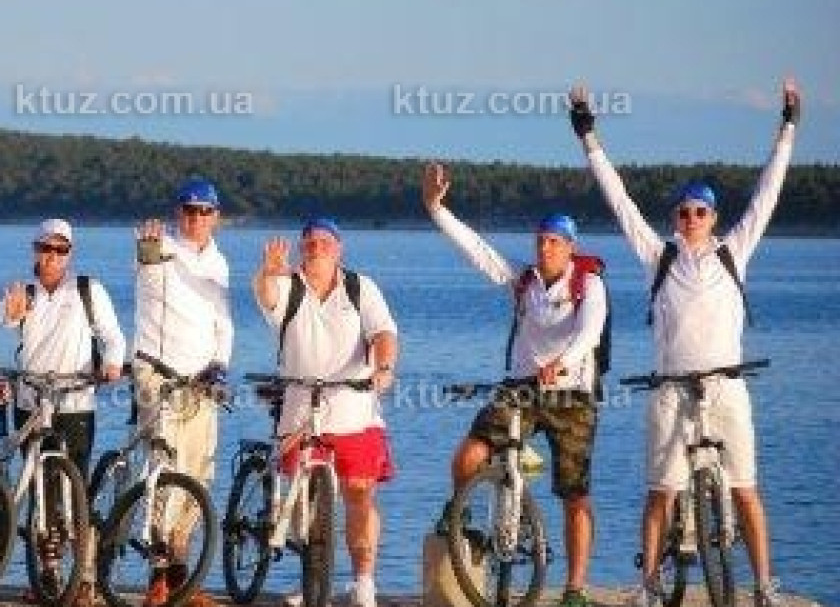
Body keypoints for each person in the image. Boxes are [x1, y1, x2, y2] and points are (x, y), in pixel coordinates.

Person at [569, 79, 799, 607]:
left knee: (745, 490)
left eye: (700, 211)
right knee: (661, 494)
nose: (691, 219)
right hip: (670, 390)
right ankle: (649, 586)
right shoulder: (660, 257)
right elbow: (620, 201)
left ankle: (764, 585)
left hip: (727, 387)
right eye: (683, 212)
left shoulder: (733, 251)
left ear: (714, 218)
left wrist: (788, 126)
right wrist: (588, 135)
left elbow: (768, 192)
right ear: (674, 218)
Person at [423, 163, 604, 607]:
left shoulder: (589, 284)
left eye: (554, 241)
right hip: (522, 387)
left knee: (575, 494)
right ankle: (460, 511)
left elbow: (590, 333)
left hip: (572, 394)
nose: (545, 247)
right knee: (470, 453)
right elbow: (478, 251)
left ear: (571, 247)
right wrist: (436, 209)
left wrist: (561, 363)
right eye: (540, 240)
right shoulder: (524, 280)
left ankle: (575, 589)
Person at [252, 217, 398, 607]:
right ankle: (314, 578)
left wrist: (384, 368)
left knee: (360, 494)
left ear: (339, 249)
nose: (316, 248)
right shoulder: (288, 285)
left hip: (354, 411)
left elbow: (383, 333)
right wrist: (268, 272)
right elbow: (267, 296)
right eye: (310, 243)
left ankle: (363, 582)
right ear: (302, 249)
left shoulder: (360, 287)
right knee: (304, 503)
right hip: (301, 410)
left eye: (324, 242)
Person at [0, 218, 127, 607]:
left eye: (60, 249)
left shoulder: (88, 290)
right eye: (46, 248)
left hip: (75, 402)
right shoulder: (24, 292)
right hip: (31, 401)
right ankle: (49, 575)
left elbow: (112, 336)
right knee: (43, 492)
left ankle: (83, 577)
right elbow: (3, 320)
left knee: (75, 490)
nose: (52, 255)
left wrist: (112, 364)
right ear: (35, 250)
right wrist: (12, 312)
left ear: (70, 253)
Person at [132, 176, 234, 607]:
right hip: (157, 374)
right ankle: (158, 579)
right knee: (165, 471)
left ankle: (181, 579)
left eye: (204, 211)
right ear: (178, 213)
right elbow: (148, 274)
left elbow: (223, 322)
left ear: (215, 217)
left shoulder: (219, 262)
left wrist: (220, 365)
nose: (196, 218)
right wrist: (147, 254)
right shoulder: (161, 248)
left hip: (201, 380)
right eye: (189, 210)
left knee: (197, 477)